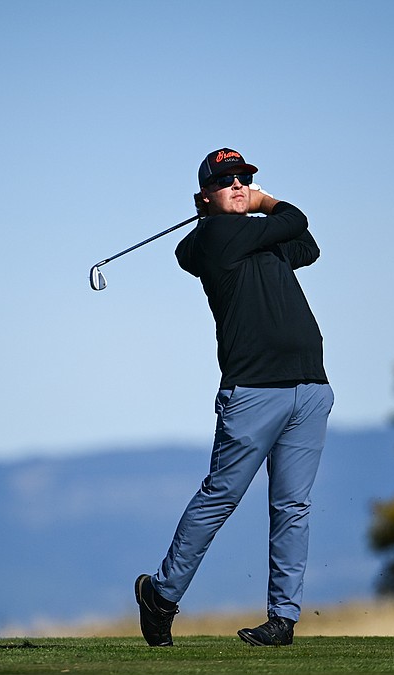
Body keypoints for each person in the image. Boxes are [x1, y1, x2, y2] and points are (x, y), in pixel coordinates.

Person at [134, 148, 334, 647]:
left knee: (293, 506)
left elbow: (306, 246)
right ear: (204, 197)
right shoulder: (218, 235)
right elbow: (296, 218)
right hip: (253, 391)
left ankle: (283, 620)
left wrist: (265, 218)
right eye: (228, 182)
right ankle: (161, 595)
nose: (241, 185)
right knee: (221, 495)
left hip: (309, 386)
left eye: (246, 178)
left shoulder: (252, 238)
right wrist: (268, 203)